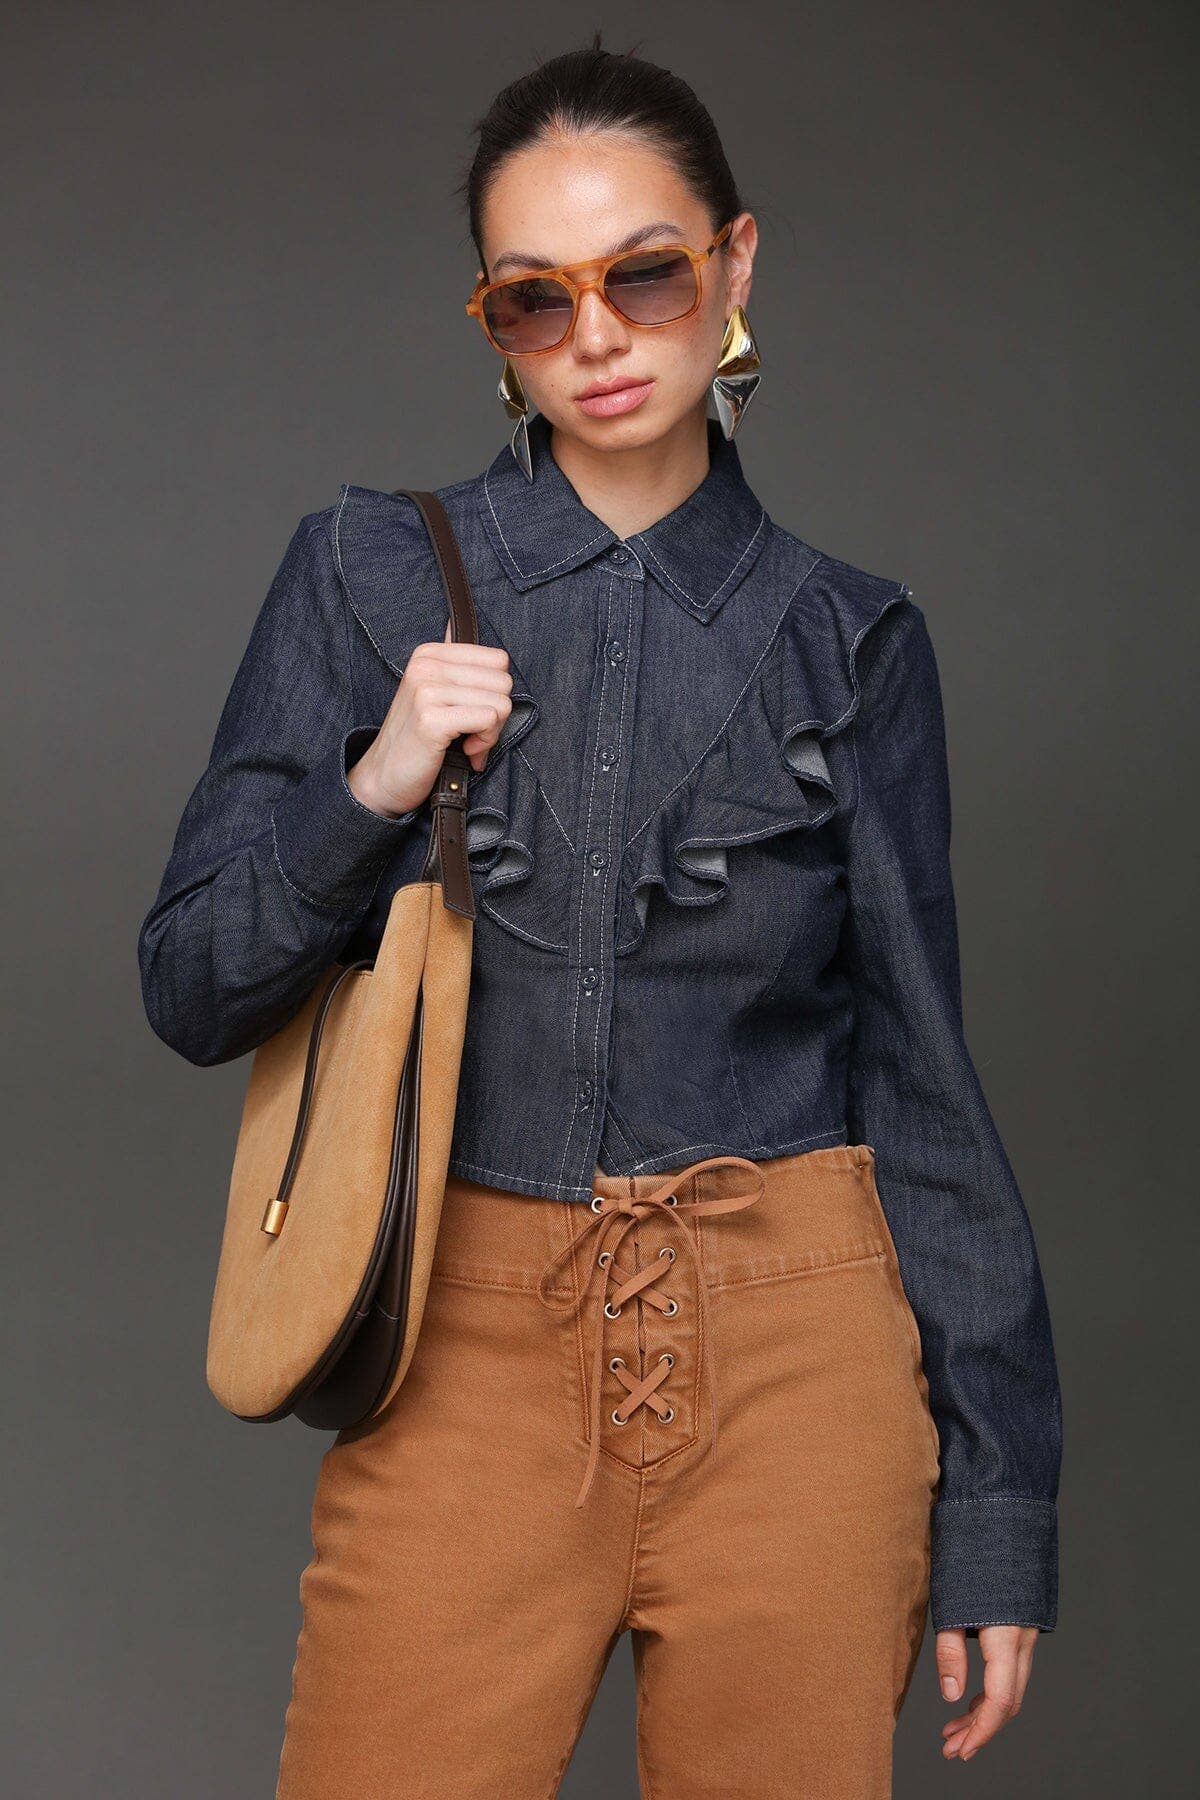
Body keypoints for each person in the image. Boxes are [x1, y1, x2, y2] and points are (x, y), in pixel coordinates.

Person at [137, 34, 1061, 1800]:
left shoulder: (850, 642)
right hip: (458, 1351)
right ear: (487, 321)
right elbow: (190, 982)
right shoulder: (367, 572)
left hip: (803, 1355)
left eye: (644, 271)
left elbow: (924, 1079)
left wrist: (1001, 1502)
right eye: (533, 299)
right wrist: (380, 784)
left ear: (732, 261)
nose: (600, 336)